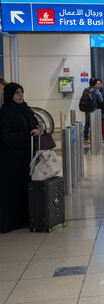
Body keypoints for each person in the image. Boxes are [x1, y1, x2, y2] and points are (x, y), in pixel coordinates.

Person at [0, 83, 45, 233]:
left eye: (22, 92)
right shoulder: (5, 113)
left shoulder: (26, 110)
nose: (20, 95)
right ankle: (13, 221)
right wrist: (29, 135)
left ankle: (28, 217)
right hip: (12, 159)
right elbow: (6, 137)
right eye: (17, 93)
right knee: (14, 188)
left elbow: (35, 124)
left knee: (27, 186)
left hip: (27, 156)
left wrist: (39, 129)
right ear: (9, 95)